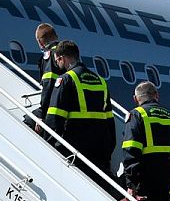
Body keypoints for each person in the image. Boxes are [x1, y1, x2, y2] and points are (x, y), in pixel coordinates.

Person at [45, 39, 117, 177]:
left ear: (63, 58)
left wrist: (48, 146)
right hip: (99, 150)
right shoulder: (100, 80)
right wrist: (107, 151)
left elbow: (55, 118)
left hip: (75, 148)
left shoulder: (66, 79)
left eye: (57, 60)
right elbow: (110, 121)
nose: (57, 64)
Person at [121, 81, 170, 201]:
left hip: (148, 180)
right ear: (156, 95)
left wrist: (131, 184)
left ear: (135, 99)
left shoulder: (137, 115)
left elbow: (131, 149)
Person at [32, 23, 60, 122]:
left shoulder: (50, 55)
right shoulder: (67, 52)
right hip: (68, 104)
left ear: (40, 42)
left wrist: (42, 113)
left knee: (28, 121)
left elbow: (49, 84)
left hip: (56, 107)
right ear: (56, 36)